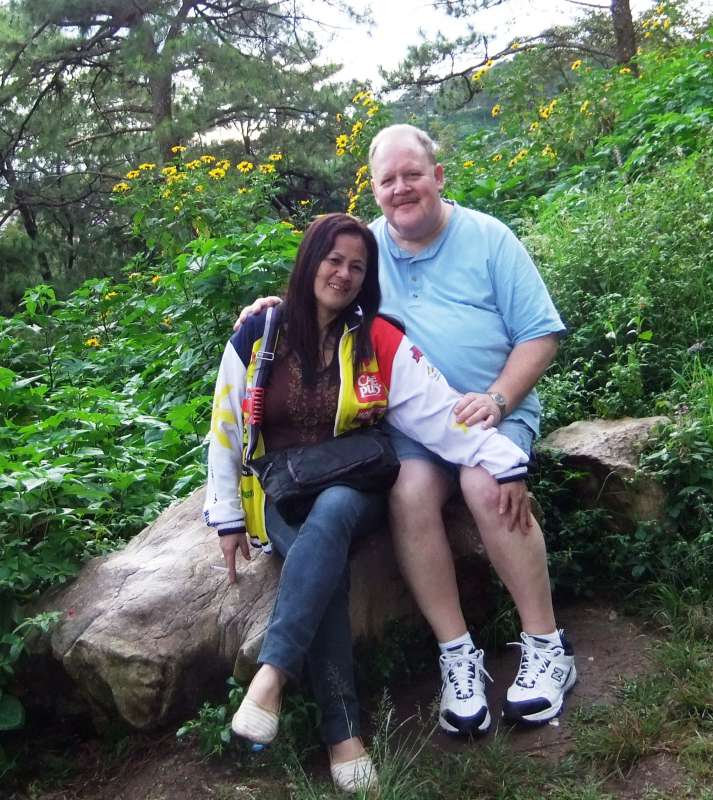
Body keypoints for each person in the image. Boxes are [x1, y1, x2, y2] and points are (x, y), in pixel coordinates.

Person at [234, 125, 576, 737]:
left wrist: (498, 399)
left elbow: (540, 335)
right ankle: (457, 654)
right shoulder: (365, 250)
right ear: (375, 189)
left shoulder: (489, 239)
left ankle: (547, 644)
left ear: (437, 176)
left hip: (492, 411)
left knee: (483, 484)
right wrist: (272, 309)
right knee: (408, 493)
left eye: (412, 174)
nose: (401, 188)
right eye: (387, 180)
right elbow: (324, 294)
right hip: (411, 425)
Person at [205, 213, 530, 793]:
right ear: (310, 262)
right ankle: (344, 736)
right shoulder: (259, 332)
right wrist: (227, 517)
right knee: (321, 560)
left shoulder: (377, 337)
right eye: (334, 260)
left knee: (333, 511)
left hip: (357, 487)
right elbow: (226, 426)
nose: (344, 274)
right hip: (282, 493)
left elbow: (439, 413)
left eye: (357, 266)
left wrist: (504, 460)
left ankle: (272, 678)